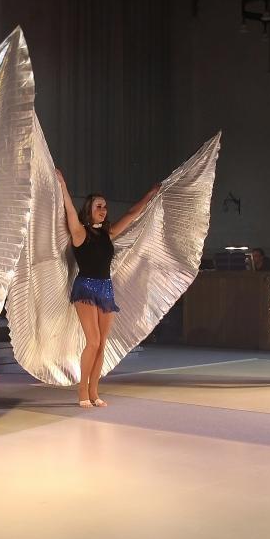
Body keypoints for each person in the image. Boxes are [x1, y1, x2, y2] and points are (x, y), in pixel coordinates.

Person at [57, 169, 160, 407]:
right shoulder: (80, 232)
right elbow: (69, 209)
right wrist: (62, 185)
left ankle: (94, 392)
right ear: (89, 210)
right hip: (85, 288)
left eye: (105, 206)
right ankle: (82, 391)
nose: (103, 210)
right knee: (93, 341)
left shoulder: (108, 233)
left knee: (102, 343)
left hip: (105, 288)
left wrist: (150, 194)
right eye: (98, 206)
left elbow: (132, 214)